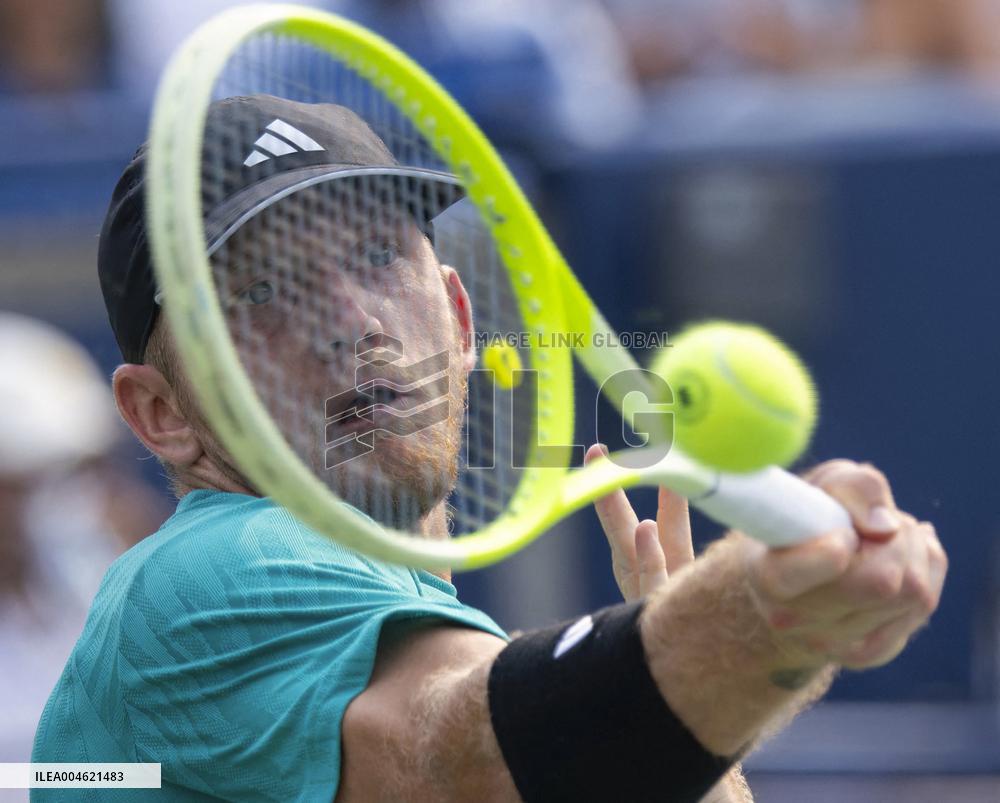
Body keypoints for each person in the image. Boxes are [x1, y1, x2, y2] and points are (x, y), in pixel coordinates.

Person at [33, 94, 946, 802]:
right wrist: (750, 616)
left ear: (460, 318)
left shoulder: (433, 639)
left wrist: (682, 698)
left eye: (379, 257)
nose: (354, 324)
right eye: (266, 291)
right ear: (162, 414)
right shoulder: (209, 571)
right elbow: (462, 761)